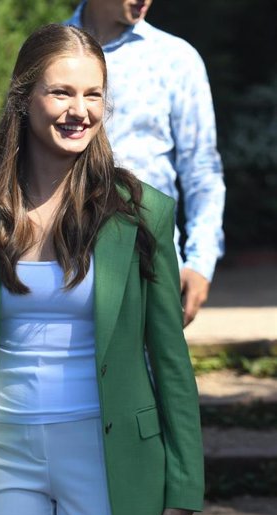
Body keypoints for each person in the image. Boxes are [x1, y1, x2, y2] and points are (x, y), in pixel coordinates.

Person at [0, 24, 203, 515]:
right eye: (61, 92)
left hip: (108, 452)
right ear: (23, 98)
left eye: (93, 94)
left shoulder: (143, 213)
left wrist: (183, 491)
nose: (81, 110)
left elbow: (170, 361)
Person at [66, 0, 226, 326]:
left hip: (148, 262)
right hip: (57, 260)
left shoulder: (176, 59)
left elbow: (201, 166)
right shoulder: (48, 50)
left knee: (152, 376)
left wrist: (200, 260)